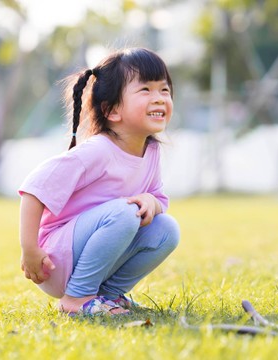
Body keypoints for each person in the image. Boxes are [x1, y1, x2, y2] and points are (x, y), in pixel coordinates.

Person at [18, 47, 180, 316]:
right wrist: (30, 249)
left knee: (167, 229)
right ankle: (77, 299)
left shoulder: (151, 151)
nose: (159, 99)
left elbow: (159, 200)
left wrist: (151, 201)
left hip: (96, 256)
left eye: (164, 90)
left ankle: (109, 295)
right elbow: (34, 190)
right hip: (56, 260)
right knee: (125, 213)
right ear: (112, 110)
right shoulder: (97, 151)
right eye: (146, 90)